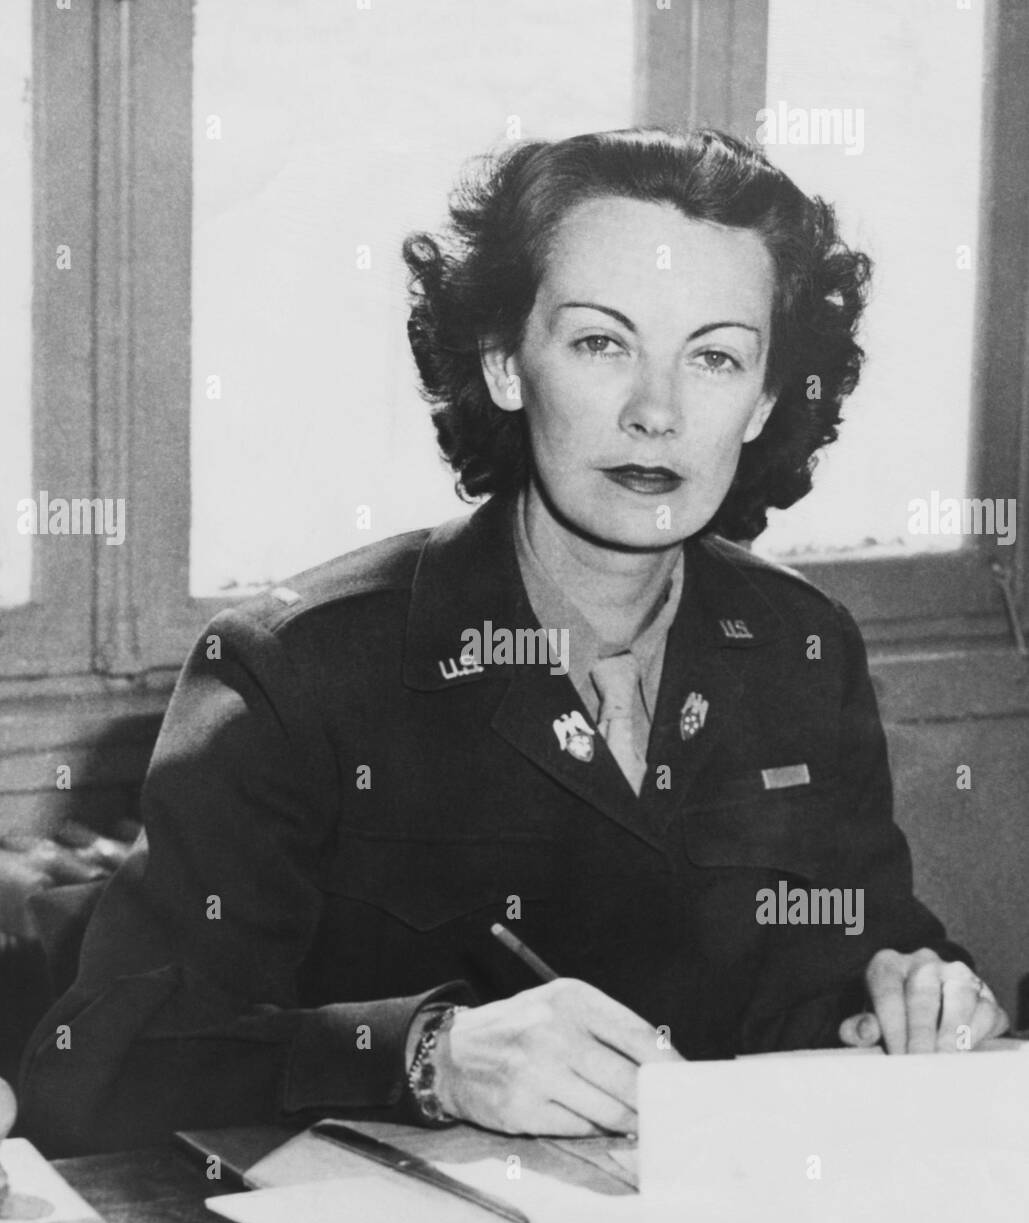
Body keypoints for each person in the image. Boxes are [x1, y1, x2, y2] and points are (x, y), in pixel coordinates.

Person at [19, 129, 1007, 1156]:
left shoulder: (803, 646)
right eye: (601, 343)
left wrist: (912, 993)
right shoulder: (297, 668)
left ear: (763, 401)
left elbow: (851, 948)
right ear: (501, 363)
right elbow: (106, 1068)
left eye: (714, 356)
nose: (656, 413)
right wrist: (427, 1055)